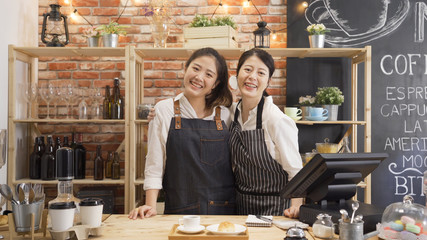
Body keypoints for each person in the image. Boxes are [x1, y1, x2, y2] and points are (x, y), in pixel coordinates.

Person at [128, 48, 235, 219]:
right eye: (196, 68)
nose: (199, 77)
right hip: (179, 212)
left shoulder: (226, 114)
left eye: (209, 74)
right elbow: (155, 164)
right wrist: (150, 205)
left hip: (224, 213)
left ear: (215, 83)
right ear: (185, 69)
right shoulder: (164, 110)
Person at [230, 48, 303, 217]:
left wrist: (296, 209)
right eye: (247, 70)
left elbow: (296, 172)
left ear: (268, 81)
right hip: (241, 207)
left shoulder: (276, 119)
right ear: (237, 74)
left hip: (275, 210)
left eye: (261, 73)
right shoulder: (233, 112)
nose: (252, 77)